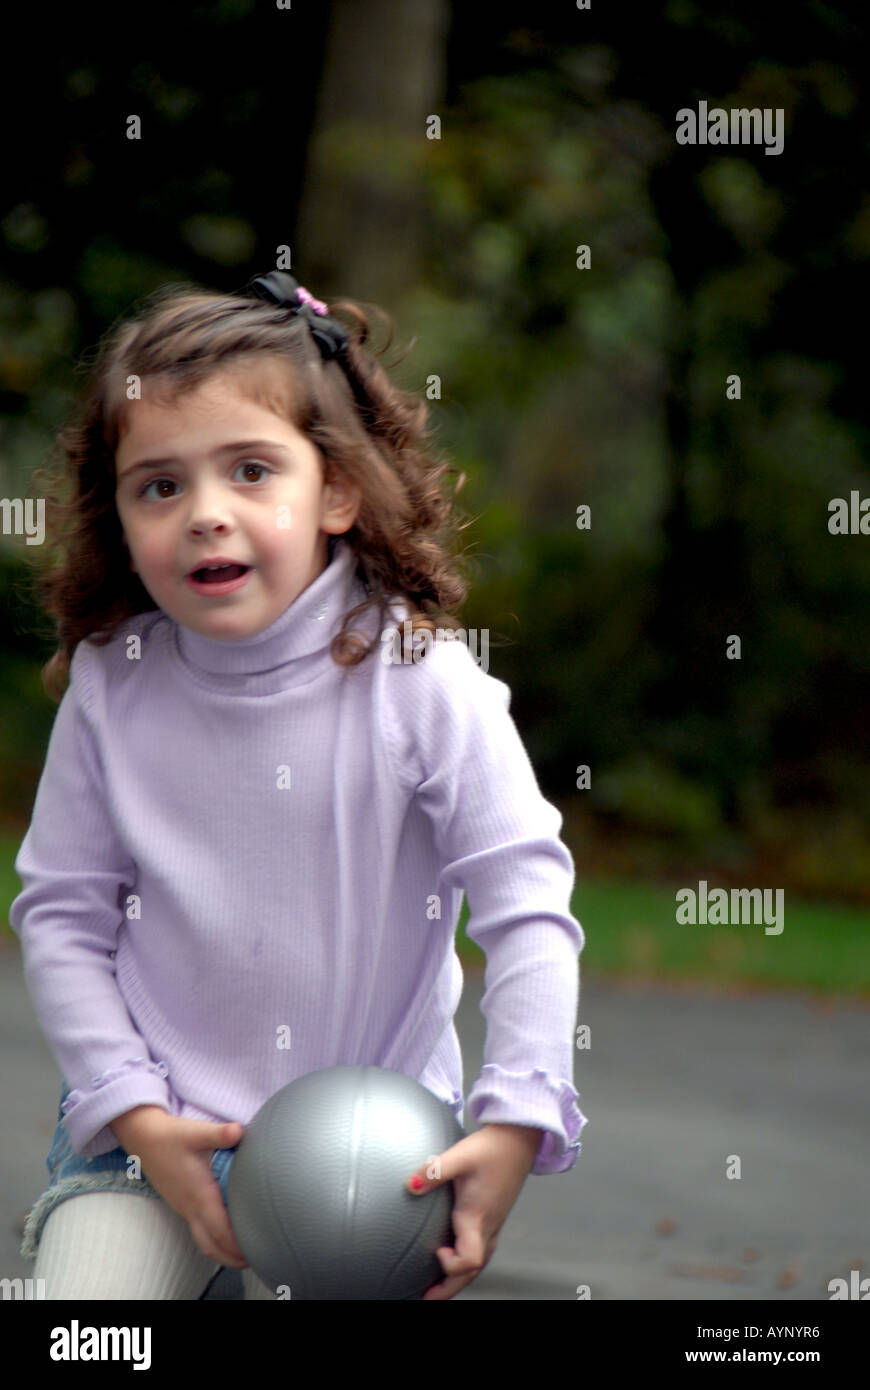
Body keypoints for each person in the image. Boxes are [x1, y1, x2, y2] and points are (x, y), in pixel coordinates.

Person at [9, 269, 588, 1301]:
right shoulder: (116, 683)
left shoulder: (420, 680)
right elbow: (61, 913)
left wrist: (514, 1115)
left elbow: (527, 902)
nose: (205, 515)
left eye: (250, 470)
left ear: (338, 489)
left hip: (370, 1163)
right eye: (161, 484)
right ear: (122, 516)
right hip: (149, 1140)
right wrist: (135, 1113)